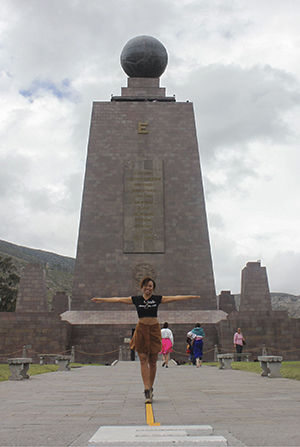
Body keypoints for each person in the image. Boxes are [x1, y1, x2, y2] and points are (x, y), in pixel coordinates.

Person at [92, 277, 200, 403]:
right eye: (145, 286)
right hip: (141, 329)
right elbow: (119, 299)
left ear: (153, 288)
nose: (148, 288)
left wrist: (190, 297)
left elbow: (175, 298)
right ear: (141, 287)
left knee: (153, 361)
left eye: (150, 286)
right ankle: (146, 390)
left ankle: (151, 386)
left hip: (154, 330)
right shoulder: (136, 299)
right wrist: (101, 299)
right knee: (143, 360)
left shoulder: (157, 299)